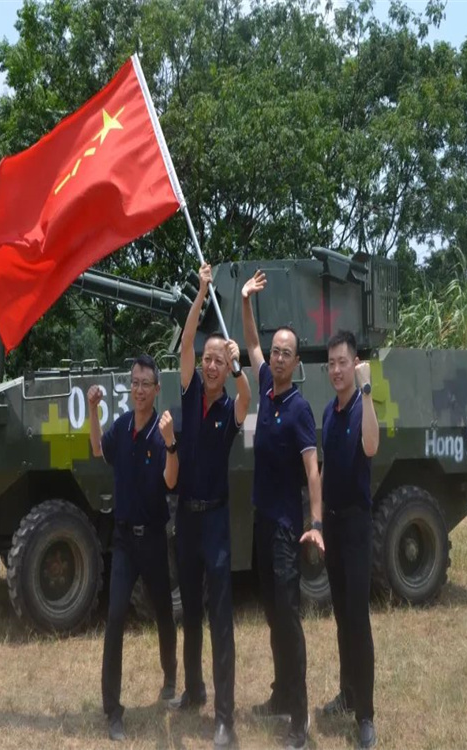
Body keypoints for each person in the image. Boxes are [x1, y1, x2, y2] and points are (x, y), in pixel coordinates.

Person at [241, 269, 324, 750]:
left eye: (285, 353)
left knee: (289, 619)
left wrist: (315, 522)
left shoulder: (298, 408)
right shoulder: (267, 388)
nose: (275, 357)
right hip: (260, 521)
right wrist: (248, 303)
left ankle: (299, 716)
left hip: (287, 529)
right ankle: (279, 694)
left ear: (296, 362)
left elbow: (313, 469)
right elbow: (249, 343)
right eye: (275, 351)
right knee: (272, 613)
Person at [169, 263, 251, 748]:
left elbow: (247, 394)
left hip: (217, 520)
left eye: (219, 360)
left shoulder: (230, 406)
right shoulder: (191, 390)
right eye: (209, 360)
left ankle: (225, 717)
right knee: (192, 612)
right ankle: (194, 687)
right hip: (187, 519)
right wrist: (201, 292)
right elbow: (185, 343)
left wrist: (240, 363)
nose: (211, 365)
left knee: (221, 617)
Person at [88, 354, 179, 743]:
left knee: (163, 611)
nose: (139, 389)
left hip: (154, 537)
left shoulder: (162, 432)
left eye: (146, 384)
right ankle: (113, 710)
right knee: (114, 619)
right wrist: (93, 411)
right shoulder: (122, 427)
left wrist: (172, 446)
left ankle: (171, 676)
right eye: (135, 382)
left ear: (157, 389)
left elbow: (172, 483)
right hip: (124, 540)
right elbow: (98, 450)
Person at [303, 330, 379, 750]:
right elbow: (328, 469)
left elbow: (370, 445)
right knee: (341, 619)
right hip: (332, 524)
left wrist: (366, 390)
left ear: (355, 364)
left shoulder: (361, 406)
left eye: (343, 362)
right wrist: (318, 520)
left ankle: (365, 715)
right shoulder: (330, 413)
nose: (335, 369)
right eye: (331, 362)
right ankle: (347, 693)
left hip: (357, 526)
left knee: (358, 619)